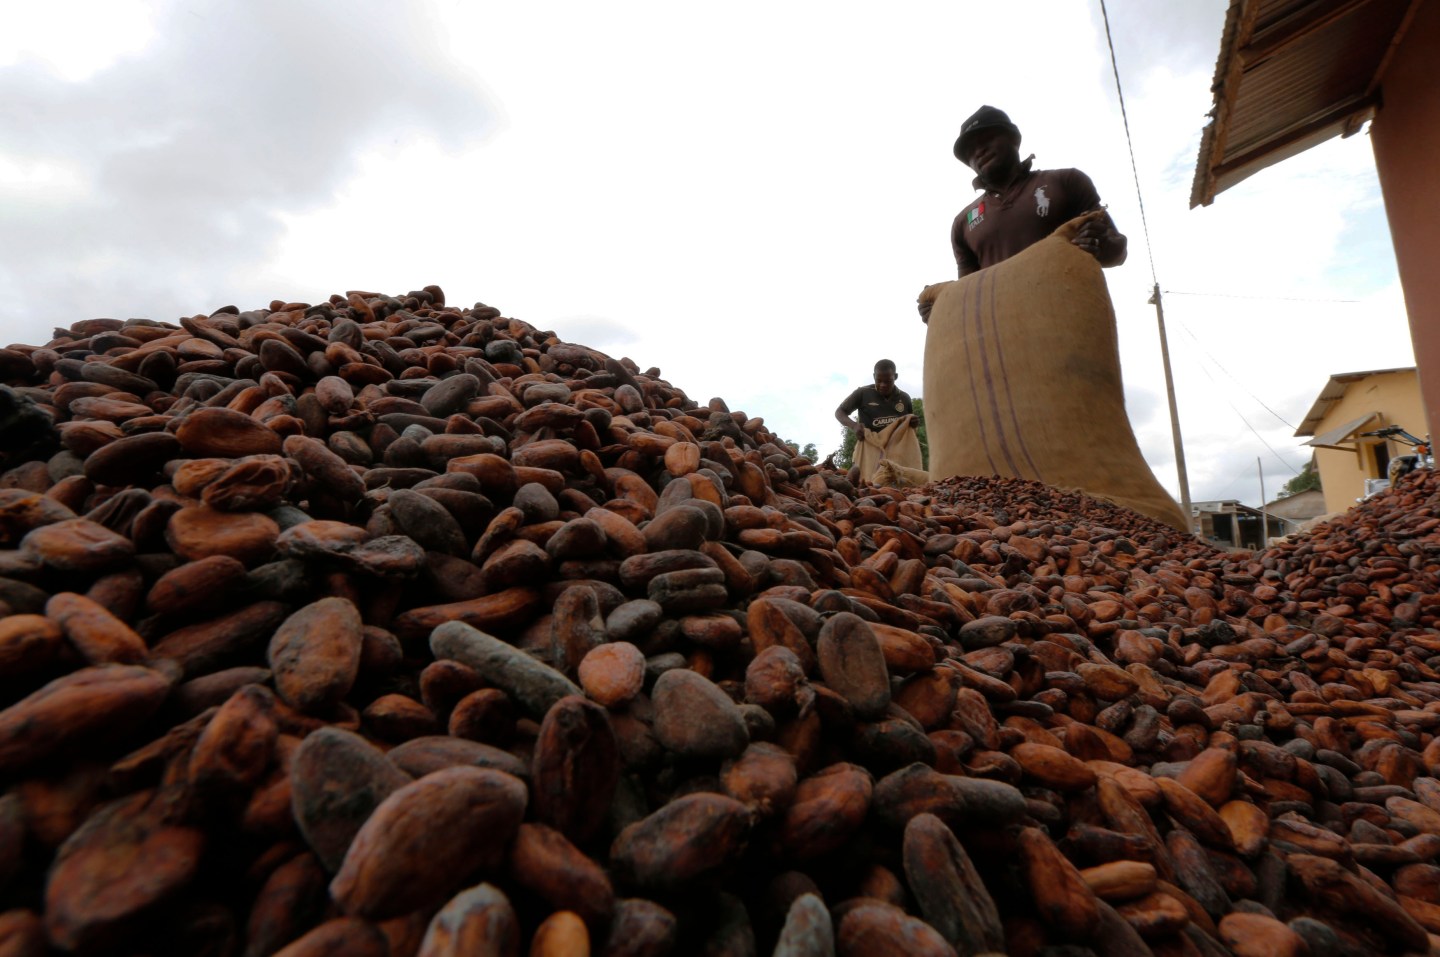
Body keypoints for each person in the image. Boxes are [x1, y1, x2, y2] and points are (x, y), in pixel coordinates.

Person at [919, 105, 1127, 322]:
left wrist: (1103, 245)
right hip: (1004, 338)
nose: (978, 151)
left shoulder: (1066, 182)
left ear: (1013, 139)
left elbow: (1117, 252)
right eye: (970, 151)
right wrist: (942, 309)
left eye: (987, 138)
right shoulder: (963, 223)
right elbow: (971, 294)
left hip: (1070, 324)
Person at [835, 359, 914, 437]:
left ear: (895, 376)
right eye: (878, 380)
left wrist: (913, 423)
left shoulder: (905, 398)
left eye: (888, 381)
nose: (883, 385)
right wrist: (854, 426)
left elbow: (910, 423)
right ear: (874, 376)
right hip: (871, 444)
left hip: (897, 446)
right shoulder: (862, 393)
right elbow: (839, 412)